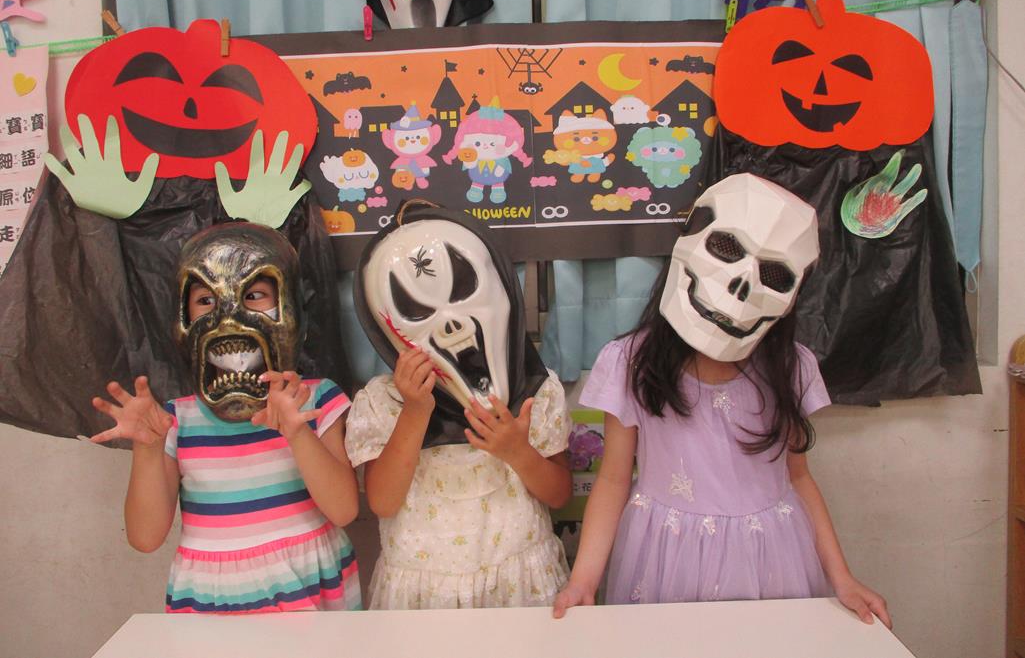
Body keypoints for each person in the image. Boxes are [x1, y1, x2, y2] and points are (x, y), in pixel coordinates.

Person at [552, 174, 891, 628]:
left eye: (775, 275)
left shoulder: (790, 368)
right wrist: (583, 580)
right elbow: (613, 480)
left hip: (769, 556)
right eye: (728, 249)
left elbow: (799, 477)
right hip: (665, 557)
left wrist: (842, 578)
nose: (742, 285)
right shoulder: (631, 363)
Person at [90, 223, 361, 613]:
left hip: (309, 591)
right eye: (205, 300)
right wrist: (147, 449)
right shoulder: (176, 421)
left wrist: (298, 433)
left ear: (291, 307)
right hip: (214, 601)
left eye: (253, 295)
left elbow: (344, 510)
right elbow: (145, 538)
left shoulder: (316, 400)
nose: (228, 317)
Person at [346, 203, 571, 609]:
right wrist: (415, 411)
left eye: (463, 290)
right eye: (418, 311)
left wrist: (518, 452)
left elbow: (559, 495)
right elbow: (382, 502)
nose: (451, 324)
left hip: (518, 589)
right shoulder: (384, 404)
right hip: (424, 599)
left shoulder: (534, 396)